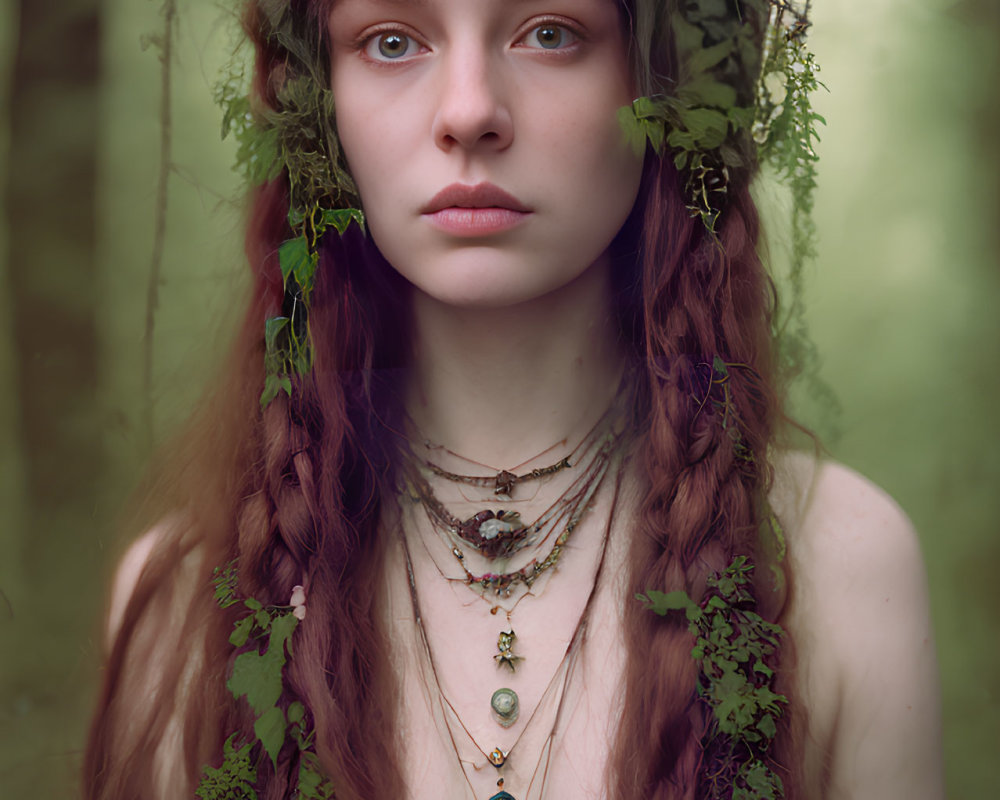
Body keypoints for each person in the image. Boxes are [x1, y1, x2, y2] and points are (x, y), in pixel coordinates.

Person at [84, 1, 945, 798]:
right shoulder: (187, 602)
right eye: (391, 40)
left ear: (665, 84)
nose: (468, 112)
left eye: (549, 31)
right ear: (318, 107)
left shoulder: (840, 568)